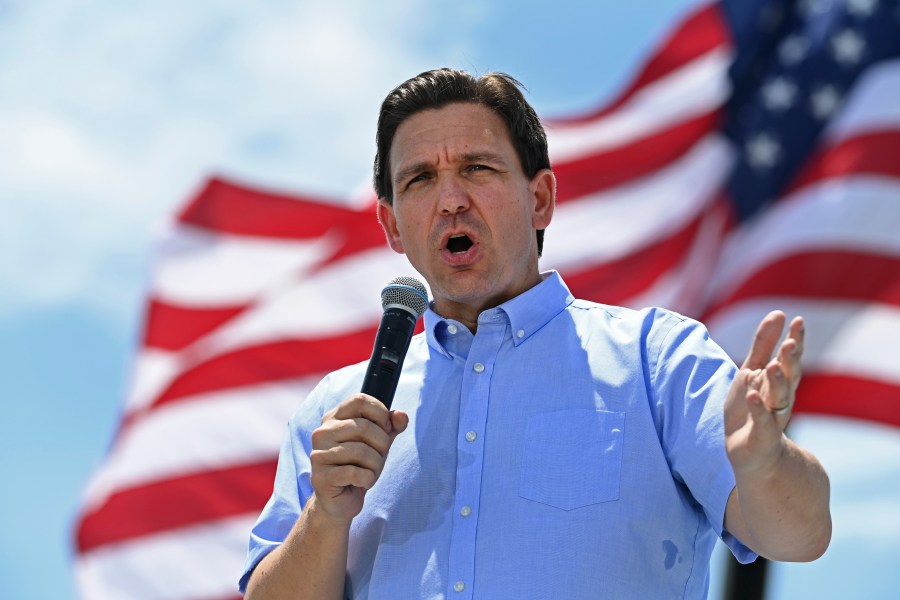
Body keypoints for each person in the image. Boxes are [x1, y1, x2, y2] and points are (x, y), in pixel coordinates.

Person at [239, 68, 831, 599]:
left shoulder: (657, 360)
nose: (450, 200)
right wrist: (326, 514)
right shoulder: (335, 413)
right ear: (393, 226)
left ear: (541, 198)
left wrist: (763, 465)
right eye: (419, 179)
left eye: (477, 167)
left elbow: (801, 535)